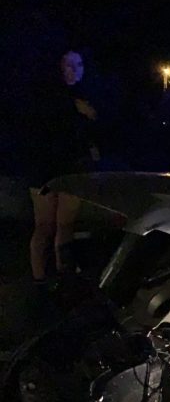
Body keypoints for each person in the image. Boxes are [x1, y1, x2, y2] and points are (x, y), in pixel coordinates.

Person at [29, 49, 99, 282]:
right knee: (44, 226)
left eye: (78, 65)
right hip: (46, 167)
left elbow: (90, 133)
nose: (73, 70)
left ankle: (62, 273)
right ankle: (39, 278)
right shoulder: (48, 96)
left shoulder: (86, 95)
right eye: (68, 65)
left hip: (73, 167)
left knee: (65, 225)